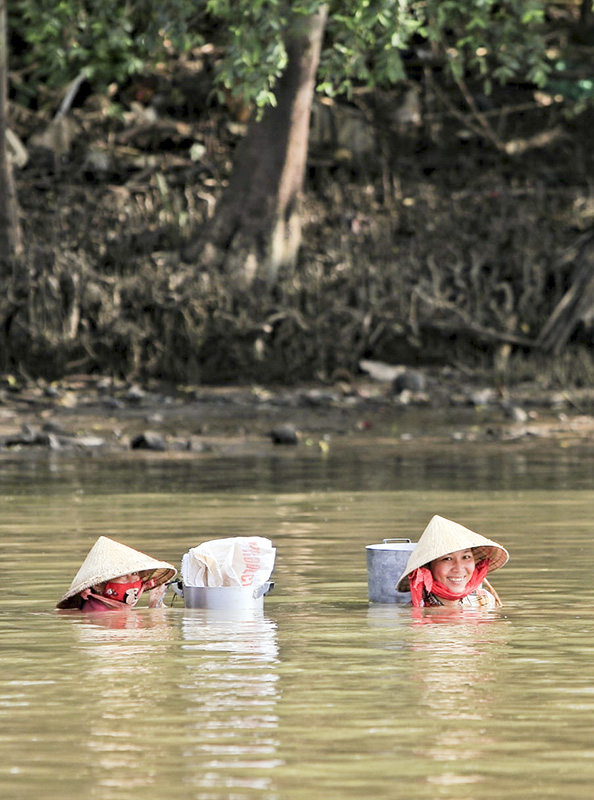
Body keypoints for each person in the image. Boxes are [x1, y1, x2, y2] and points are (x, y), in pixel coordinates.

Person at [395, 515, 509, 608]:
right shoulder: (417, 609)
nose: (459, 568)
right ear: (428, 567)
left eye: (466, 557)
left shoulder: (485, 601)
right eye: (447, 559)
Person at [57, 536, 177, 611]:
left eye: (134, 573)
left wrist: (155, 604)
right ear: (98, 585)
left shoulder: (112, 607)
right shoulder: (99, 610)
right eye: (123, 576)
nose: (131, 581)